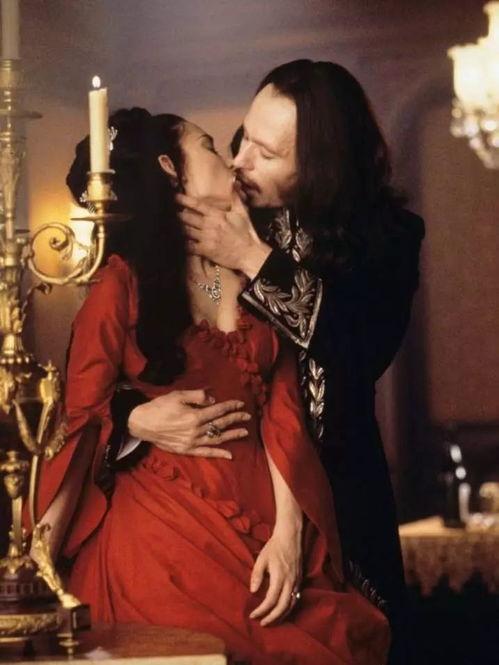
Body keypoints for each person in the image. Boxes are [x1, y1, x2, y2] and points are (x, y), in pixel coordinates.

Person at [34, 107, 390, 665]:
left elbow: (285, 412)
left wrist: (289, 534)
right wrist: (36, 570)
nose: (229, 158)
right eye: (208, 146)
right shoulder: (120, 284)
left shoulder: (242, 271)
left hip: (266, 523)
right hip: (163, 538)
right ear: (169, 167)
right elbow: (77, 422)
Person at [116, 61, 425, 664]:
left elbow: (357, 350)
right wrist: (132, 415)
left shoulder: (388, 236)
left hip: (339, 490)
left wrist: (253, 259)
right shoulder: (228, 205)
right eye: (243, 138)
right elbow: (176, 339)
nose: (240, 162)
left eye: (267, 153)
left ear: (320, 166)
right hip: (233, 495)